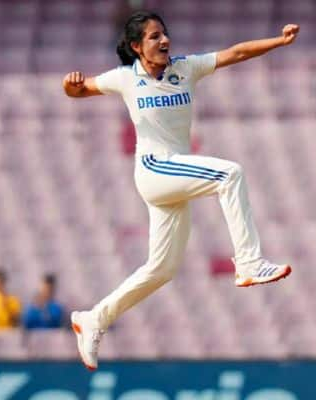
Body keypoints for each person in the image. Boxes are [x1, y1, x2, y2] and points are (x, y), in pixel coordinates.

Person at [62, 11, 299, 370]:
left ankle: (94, 319)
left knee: (162, 269)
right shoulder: (125, 79)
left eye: (164, 34)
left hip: (172, 177)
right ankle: (249, 263)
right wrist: (70, 82)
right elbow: (78, 91)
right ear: (136, 47)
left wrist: (279, 41)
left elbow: (235, 53)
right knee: (229, 174)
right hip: (155, 169)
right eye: (154, 37)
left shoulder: (185, 68)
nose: (164, 41)